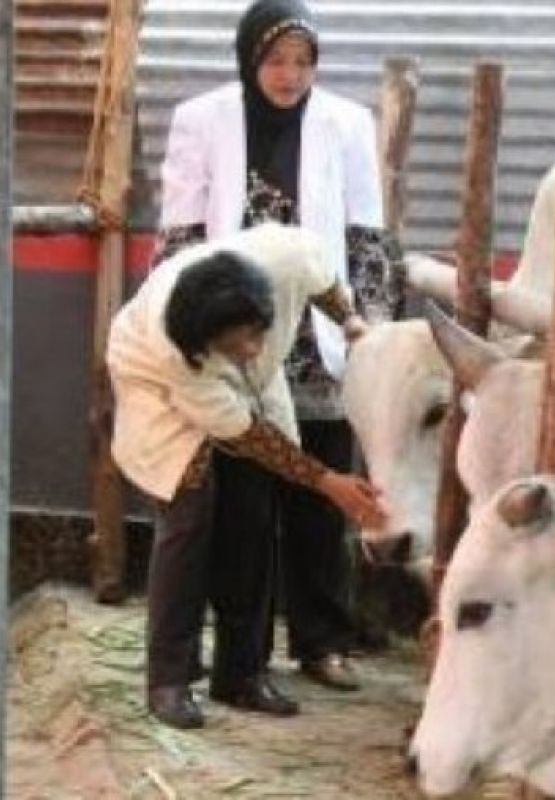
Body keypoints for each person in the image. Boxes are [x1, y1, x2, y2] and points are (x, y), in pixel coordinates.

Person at [153, 0, 396, 693]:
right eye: (275, 60)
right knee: (243, 501)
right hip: (236, 337)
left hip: (315, 335)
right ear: (249, 58)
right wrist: (192, 335)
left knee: (322, 493)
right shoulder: (202, 119)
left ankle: (321, 641)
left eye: (303, 62)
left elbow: (367, 239)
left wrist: (369, 329)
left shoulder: (347, 123)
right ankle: (245, 657)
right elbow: (179, 238)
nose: (290, 76)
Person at [107, 224, 388, 730]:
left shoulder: (282, 258)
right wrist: (330, 482)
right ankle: (169, 679)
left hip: (245, 385)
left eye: (262, 330)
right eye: (245, 339)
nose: (258, 346)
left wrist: (350, 322)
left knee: (254, 511)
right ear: (208, 338)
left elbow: (323, 283)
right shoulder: (175, 350)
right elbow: (243, 432)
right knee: (190, 512)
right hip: (154, 385)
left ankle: (241, 673)